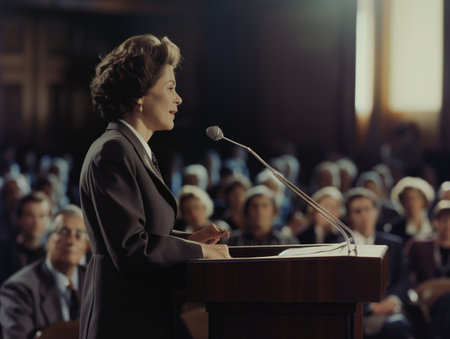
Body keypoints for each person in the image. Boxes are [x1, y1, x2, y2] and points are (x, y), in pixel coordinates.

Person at [80, 34, 230, 339]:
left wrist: (191, 240)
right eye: (171, 88)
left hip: (145, 316)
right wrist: (200, 253)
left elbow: (142, 229)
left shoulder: (133, 149)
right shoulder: (114, 151)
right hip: (123, 322)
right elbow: (131, 248)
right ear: (139, 95)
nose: (179, 99)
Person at [0, 205, 89, 339]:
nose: (71, 241)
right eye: (64, 232)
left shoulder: (96, 281)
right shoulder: (18, 289)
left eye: (79, 234)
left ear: (86, 245)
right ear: (47, 240)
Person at [345, 188, 410, 339]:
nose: (364, 215)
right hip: (358, 313)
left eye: (367, 209)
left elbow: (404, 279)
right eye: (357, 211)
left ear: (376, 211)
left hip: (391, 309)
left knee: (397, 326)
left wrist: (393, 300)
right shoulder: (340, 247)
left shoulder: (394, 244)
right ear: (349, 217)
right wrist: (371, 307)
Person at [405, 200, 450, 338]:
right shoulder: (419, 245)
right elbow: (406, 273)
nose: (447, 224)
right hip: (423, 299)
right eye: (443, 220)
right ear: (435, 222)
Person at [0, 191, 51, 285]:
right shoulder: (4, 253)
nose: (36, 222)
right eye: (30, 215)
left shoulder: (50, 256)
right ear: (19, 218)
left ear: (48, 219)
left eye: (42, 216)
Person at [228, 185, 298, 246]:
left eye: (264, 206)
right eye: (254, 206)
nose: (259, 211)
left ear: (274, 212)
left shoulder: (287, 242)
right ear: (246, 211)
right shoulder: (233, 241)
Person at [387, 177, 435, 243]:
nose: (411, 203)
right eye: (407, 199)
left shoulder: (434, 223)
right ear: (401, 202)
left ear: (424, 200)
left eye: (415, 198)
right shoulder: (395, 227)